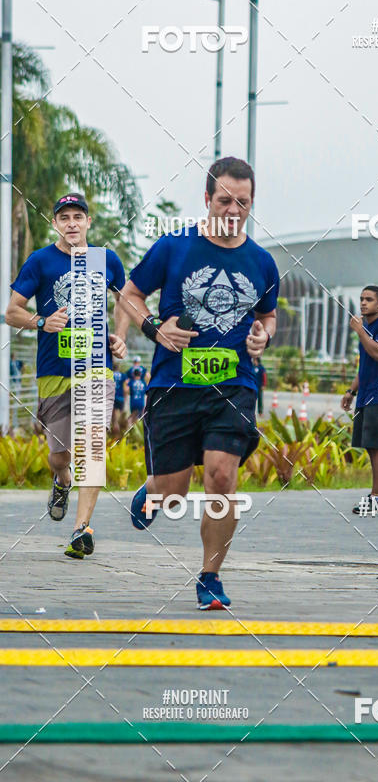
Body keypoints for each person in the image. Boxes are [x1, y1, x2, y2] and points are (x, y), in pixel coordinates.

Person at [119, 157, 279, 609]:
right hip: (173, 384)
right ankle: (153, 494)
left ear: (251, 204)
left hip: (234, 384)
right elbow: (130, 295)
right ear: (207, 199)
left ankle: (210, 577)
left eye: (242, 203)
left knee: (222, 478)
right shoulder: (174, 247)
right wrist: (154, 330)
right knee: (174, 494)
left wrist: (263, 334)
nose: (233, 209)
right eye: (224, 199)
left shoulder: (262, 262)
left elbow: (268, 314)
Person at [5, 193, 127, 556]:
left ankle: (81, 528)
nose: (72, 223)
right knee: (60, 456)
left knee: (91, 447)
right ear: (55, 223)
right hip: (55, 372)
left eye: (78, 216)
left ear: (89, 222)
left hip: (95, 368)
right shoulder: (40, 262)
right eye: (65, 217)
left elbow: (126, 298)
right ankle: (62, 480)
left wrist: (119, 335)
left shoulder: (105, 260)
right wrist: (42, 321)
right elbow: (12, 311)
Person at [341, 285, 378, 515]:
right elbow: (364, 365)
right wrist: (350, 392)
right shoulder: (366, 327)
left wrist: (360, 332)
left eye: (369, 299)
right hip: (365, 395)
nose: (363, 303)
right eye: (362, 299)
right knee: (372, 448)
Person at [112, 360, 125, 435]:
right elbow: (126, 388)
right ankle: (119, 434)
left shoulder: (110, 374)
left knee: (114, 418)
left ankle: (114, 433)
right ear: (119, 368)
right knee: (119, 417)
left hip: (113, 397)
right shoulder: (123, 375)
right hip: (120, 397)